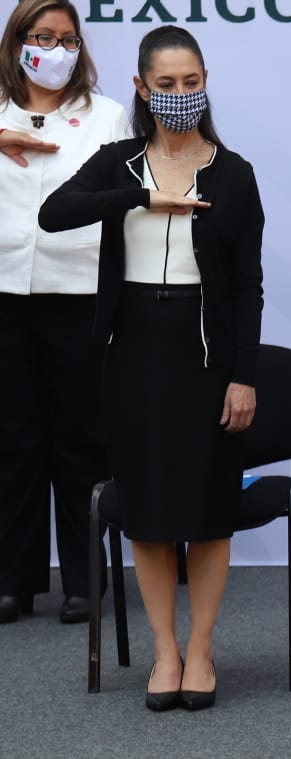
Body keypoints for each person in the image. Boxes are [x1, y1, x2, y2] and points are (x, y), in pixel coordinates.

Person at [40, 26, 262, 713]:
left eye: (190, 82)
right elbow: (54, 213)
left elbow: (249, 284)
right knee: (148, 514)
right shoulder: (117, 163)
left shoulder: (234, 173)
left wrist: (244, 374)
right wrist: (139, 199)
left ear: (205, 82)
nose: (179, 96)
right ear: (140, 88)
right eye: (164, 85)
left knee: (209, 510)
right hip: (132, 353)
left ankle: (201, 649)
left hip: (206, 356)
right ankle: (164, 650)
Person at [0, 0, 128, 627]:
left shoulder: (105, 115)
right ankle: (13, 582)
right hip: (3, 292)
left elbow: (121, 196)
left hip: (77, 290)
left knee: (81, 441)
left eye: (68, 39)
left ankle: (86, 580)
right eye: (42, 37)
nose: (55, 50)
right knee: (13, 440)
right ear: (17, 41)